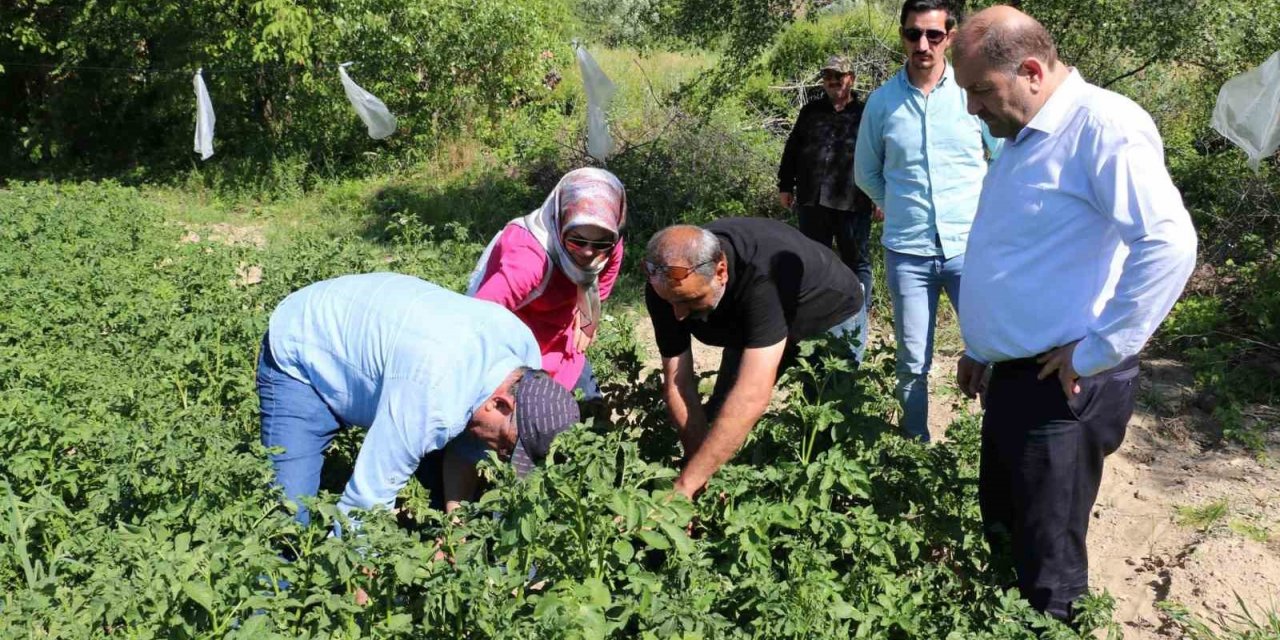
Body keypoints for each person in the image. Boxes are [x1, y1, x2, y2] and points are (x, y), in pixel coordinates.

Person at [951, 6, 1197, 623]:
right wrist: (985, 346)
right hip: (1018, 378)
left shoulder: (1101, 127)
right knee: (1008, 534)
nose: (972, 109)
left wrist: (1096, 350)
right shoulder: (1025, 130)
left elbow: (1167, 244)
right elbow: (1026, 249)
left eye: (980, 91)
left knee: (1049, 570)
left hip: (1064, 385)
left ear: (1031, 70)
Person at [256, 272, 580, 529]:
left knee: (437, 484)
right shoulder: (431, 396)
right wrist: (367, 608)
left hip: (376, 346)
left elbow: (469, 445)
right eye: (509, 446)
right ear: (500, 404)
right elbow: (366, 503)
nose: (504, 455)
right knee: (289, 515)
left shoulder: (521, 356)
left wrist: (456, 528)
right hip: (306, 349)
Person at [854, 0, 999, 442]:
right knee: (913, 359)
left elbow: (1001, 156)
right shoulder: (882, 103)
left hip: (969, 249)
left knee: (996, 350)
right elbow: (866, 173)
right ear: (902, 35)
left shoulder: (971, 92)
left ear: (950, 36)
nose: (923, 44)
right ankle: (914, 448)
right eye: (913, 34)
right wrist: (899, 206)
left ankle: (1002, 443)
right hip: (908, 253)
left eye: (933, 35)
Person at [644, 219, 865, 499]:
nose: (677, 315)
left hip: (828, 314)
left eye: (691, 301)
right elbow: (679, 384)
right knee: (720, 413)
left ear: (721, 271)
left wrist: (685, 485)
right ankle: (720, 490)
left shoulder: (761, 277)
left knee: (825, 429)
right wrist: (696, 469)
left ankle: (821, 509)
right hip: (749, 321)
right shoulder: (666, 286)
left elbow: (752, 395)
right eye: (670, 302)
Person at [468, 167, 625, 405]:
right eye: (577, 240)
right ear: (560, 221)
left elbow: (606, 272)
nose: (589, 251)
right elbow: (476, 322)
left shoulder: (609, 242)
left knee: (592, 411)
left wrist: (589, 313)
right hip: (514, 342)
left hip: (561, 339)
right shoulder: (529, 262)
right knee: (529, 428)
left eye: (600, 243)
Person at [778, 54, 876, 352]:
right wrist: (785, 184)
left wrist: (879, 196)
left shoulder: (866, 112)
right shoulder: (811, 111)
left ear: (851, 79)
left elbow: (879, 154)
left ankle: (859, 318)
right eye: (829, 76)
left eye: (840, 75)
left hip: (853, 200)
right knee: (812, 260)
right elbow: (793, 147)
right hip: (812, 200)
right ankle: (813, 318)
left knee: (856, 262)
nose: (834, 81)